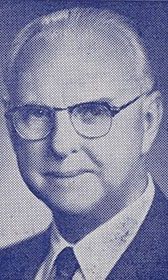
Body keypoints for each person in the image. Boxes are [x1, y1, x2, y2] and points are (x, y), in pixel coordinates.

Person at [0, 6, 168, 280]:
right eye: (36, 114)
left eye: (92, 112)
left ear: (148, 121)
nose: (61, 144)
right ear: (10, 128)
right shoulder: (6, 266)